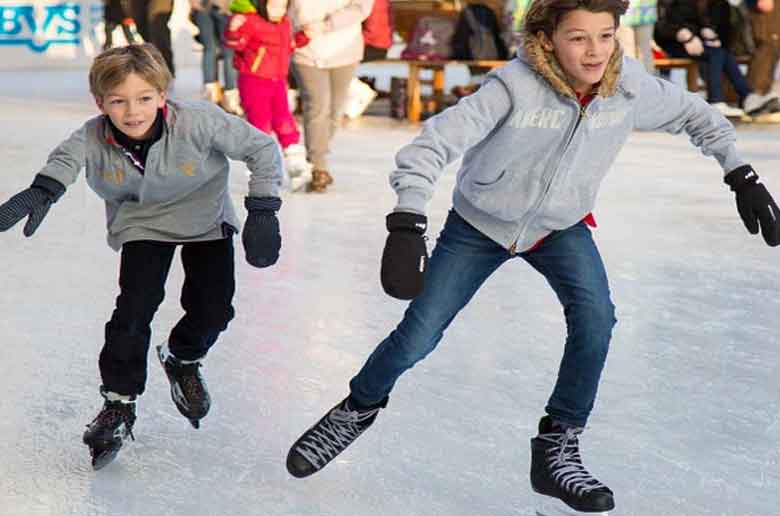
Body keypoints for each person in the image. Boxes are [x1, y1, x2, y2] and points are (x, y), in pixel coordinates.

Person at [285, 1, 780, 514]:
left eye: (605, 36)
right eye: (578, 38)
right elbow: (432, 144)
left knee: (596, 318)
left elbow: (699, 116)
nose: (594, 52)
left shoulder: (629, 85)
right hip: (479, 225)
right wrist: (408, 220)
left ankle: (557, 444)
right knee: (419, 333)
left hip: (560, 227)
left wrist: (740, 174)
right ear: (546, 39)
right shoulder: (512, 86)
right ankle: (357, 407)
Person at [0, 44, 284, 470]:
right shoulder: (92, 135)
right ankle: (118, 401)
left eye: (144, 99)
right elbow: (67, 158)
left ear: (162, 95)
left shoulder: (199, 121)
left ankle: (182, 356)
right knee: (134, 310)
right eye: (118, 101)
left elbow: (261, 148)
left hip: (205, 216)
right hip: (142, 221)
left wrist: (262, 207)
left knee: (214, 308)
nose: (133, 112)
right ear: (101, 103)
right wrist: (44, 190)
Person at [224, 0, 313, 191]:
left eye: (282, 6)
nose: (278, 11)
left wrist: (303, 37)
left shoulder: (284, 23)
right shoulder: (251, 21)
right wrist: (233, 29)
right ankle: (262, 171)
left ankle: (295, 164)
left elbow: (287, 46)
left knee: (285, 121)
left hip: (278, 81)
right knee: (260, 125)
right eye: (273, 6)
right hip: (254, 81)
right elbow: (235, 43)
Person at [287, 0, 374, 193]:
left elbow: (362, 7)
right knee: (317, 105)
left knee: (335, 110)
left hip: (344, 47)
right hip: (305, 46)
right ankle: (318, 166)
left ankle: (318, 155)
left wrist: (327, 25)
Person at [654, 0, 779, 117]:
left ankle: (747, 97)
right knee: (717, 53)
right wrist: (685, 35)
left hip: (701, 43)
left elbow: (723, 29)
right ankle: (717, 101)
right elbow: (664, 25)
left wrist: (710, 33)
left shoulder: (720, 4)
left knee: (722, 52)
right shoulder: (679, 3)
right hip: (674, 41)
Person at [190, 0, 244, 115]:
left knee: (212, 49)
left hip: (207, 7)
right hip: (223, 7)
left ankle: (214, 96)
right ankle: (229, 98)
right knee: (228, 51)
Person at [746, 0, 780, 107]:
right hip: (766, 13)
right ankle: (755, 97)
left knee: (772, 45)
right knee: (767, 44)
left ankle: (763, 95)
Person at [131, 0, 176, 76]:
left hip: (159, 7)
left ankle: (166, 70)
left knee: (159, 38)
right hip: (146, 9)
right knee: (151, 38)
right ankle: (159, 68)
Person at [617, 0, 657, 73]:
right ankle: (645, 82)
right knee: (642, 52)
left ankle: (636, 82)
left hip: (630, 9)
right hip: (645, 10)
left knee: (628, 53)